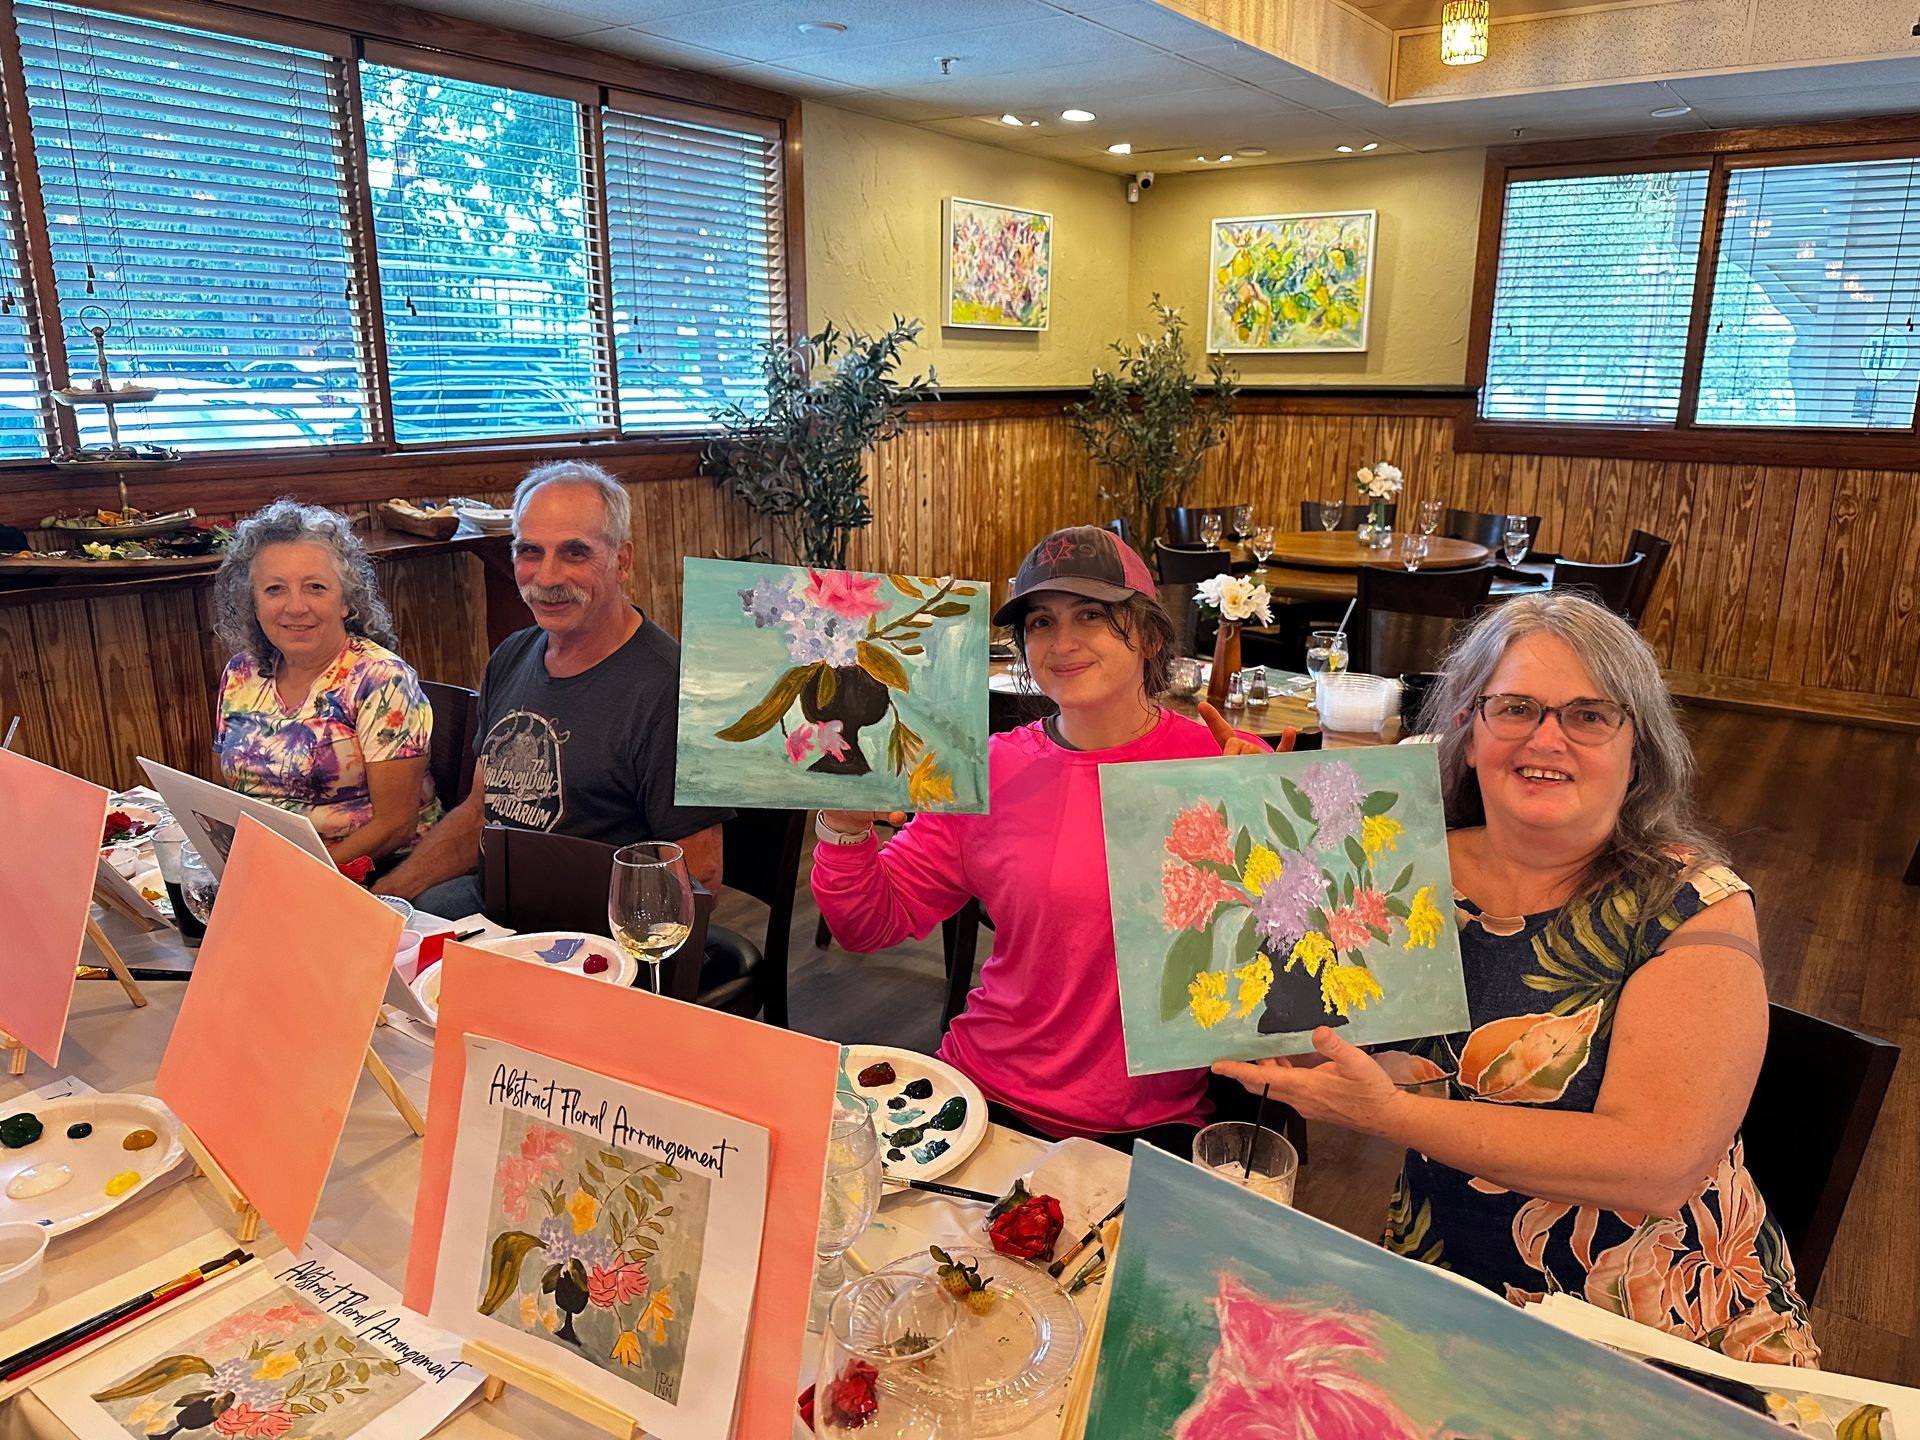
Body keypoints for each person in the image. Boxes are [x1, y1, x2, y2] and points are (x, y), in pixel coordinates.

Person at [1215, 591, 1817, 1366]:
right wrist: (1245, 828)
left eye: (1590, 715)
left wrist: (1389, 1115)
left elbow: (1657, 1166)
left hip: (1661, 1315)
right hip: (1446, 1280)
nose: (1548, 737)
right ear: (1467, 733)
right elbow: (1311, 1047)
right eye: (1517, 708)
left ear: (1640, 747)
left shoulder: (1694, 906)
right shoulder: (1399, 870)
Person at [812, 524, 1284, 1153]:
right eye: (1040, 622)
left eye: (1091, 614)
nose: (1062, 642)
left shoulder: (1221, 762)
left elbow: (1298, 968)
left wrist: (1277, 819)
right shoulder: (991, 768)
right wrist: (843, 827)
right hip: (984, 1093)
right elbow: (869, 924)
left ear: (1146, 633)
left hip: (1152, 1120)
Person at [378, 460, 729, 915]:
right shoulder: (512, 656)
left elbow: (699, 878)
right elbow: (480, 811)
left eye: (575, 552)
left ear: (622, 561)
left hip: (595, 934)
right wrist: (384, 897)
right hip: (498, 907)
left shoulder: (672, 691)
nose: (546, 578)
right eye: (530, 552)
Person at [211, 500, 438, 867]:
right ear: (253, 603)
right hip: (266, 866)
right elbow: (224, 793)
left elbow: (395, 825)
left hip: (373, 871)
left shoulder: (380, 680)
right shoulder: (241, 674)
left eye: (316, 587)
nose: (296, 607)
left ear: (346, 601)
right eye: (275, 589)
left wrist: (300, 876)